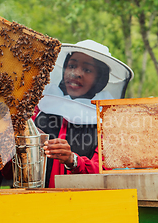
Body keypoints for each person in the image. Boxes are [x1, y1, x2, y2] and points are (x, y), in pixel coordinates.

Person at [34, 40, 133, 187]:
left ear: (100, 79)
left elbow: (105, 172)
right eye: (72, 66)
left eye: (87, 70)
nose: (76, 73)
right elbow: (11, 170)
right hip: (33, 202)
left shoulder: (109, 122)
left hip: (81, 204)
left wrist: (73, 161)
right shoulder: (40, 109)